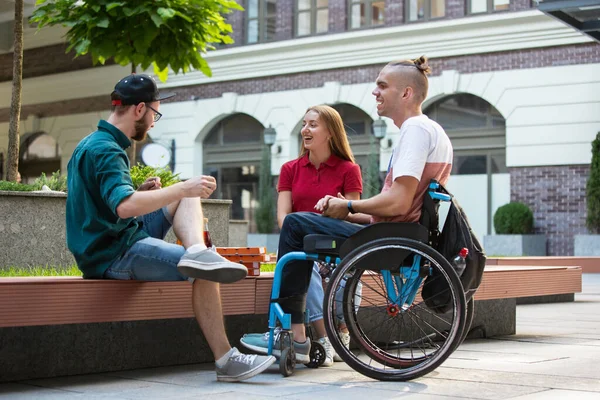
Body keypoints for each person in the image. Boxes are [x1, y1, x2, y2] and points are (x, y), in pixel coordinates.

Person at [65, 73, 275, 382]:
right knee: (204, 261)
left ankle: (196, 252)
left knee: (186, 209)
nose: (154, 121)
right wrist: (179, 190)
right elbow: (123, 206)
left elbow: (105, 203)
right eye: (155, 113)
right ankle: (226, 360)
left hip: (115, 237)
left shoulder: (93, 142)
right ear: (139, 109)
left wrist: (144, 191)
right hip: (113, 254)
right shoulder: (107, 150)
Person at [242, 56, 453, 361]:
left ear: (406, 93)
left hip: (392, 238)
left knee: (295, 225)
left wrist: (349, 204)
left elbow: (399, 202)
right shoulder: (431, 130)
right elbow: (400, 206)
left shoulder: (416, 130)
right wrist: (343, 209)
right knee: (300, 225)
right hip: (402, 232)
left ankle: (293, 335)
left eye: (382, 85)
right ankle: (299, 335)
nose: (374, 92)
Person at [240, 105, 362, 366]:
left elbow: (352, 214)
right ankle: (323, 338)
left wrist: (335, 208)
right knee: (307, 263)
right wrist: (299, 229)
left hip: (334, 246)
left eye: (313, 125)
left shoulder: (349, 169)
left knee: (321, 266)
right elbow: (283, 218)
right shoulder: (290, 169)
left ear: (330, 132)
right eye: (304, 124)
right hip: (302, 244)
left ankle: (322, 336)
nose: (305, 130)